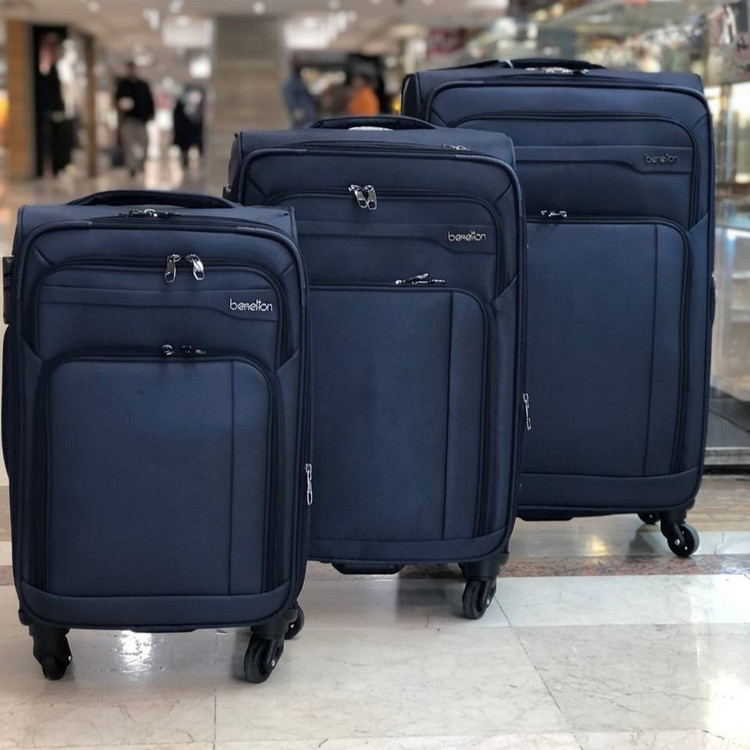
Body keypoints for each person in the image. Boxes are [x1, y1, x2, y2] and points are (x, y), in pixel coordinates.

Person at [115, 62, 154, 177]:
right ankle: (132, 167)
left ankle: (141, 164)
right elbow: (118, 101)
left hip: (141, 120)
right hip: (128, 120)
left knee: (145, 143)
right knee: (128, 145)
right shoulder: (123, 85)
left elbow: (149, 101)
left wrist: (150, 114)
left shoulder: (143, 85)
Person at [173, 87, 204, 167]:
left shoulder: (182, 106)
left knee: (186, 147)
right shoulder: (181, 107)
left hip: (186, 132)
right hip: (184, 132)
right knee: (185, 148)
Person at [282, 58, 317, 129]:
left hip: (309, 117)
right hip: (302, 119)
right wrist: (297, 111)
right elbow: (290, 99)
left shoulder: (300, 81)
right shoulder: (290, 83)